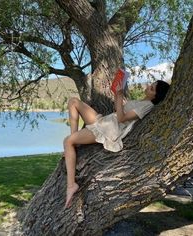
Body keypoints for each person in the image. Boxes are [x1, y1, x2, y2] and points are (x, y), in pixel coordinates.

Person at [63, 80, 170, 208]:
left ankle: (71, 185)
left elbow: (121, 118)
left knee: (67, 141)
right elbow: (118, 111)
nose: (148, 87)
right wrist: (116, 96)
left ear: (155, 96)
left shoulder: (147, 106)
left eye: (152, 89)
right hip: (105, 121)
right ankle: (73, 144)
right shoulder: (141, 101)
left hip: (110, 129)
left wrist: (119, 97)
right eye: (151, 85)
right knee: (73, 101)